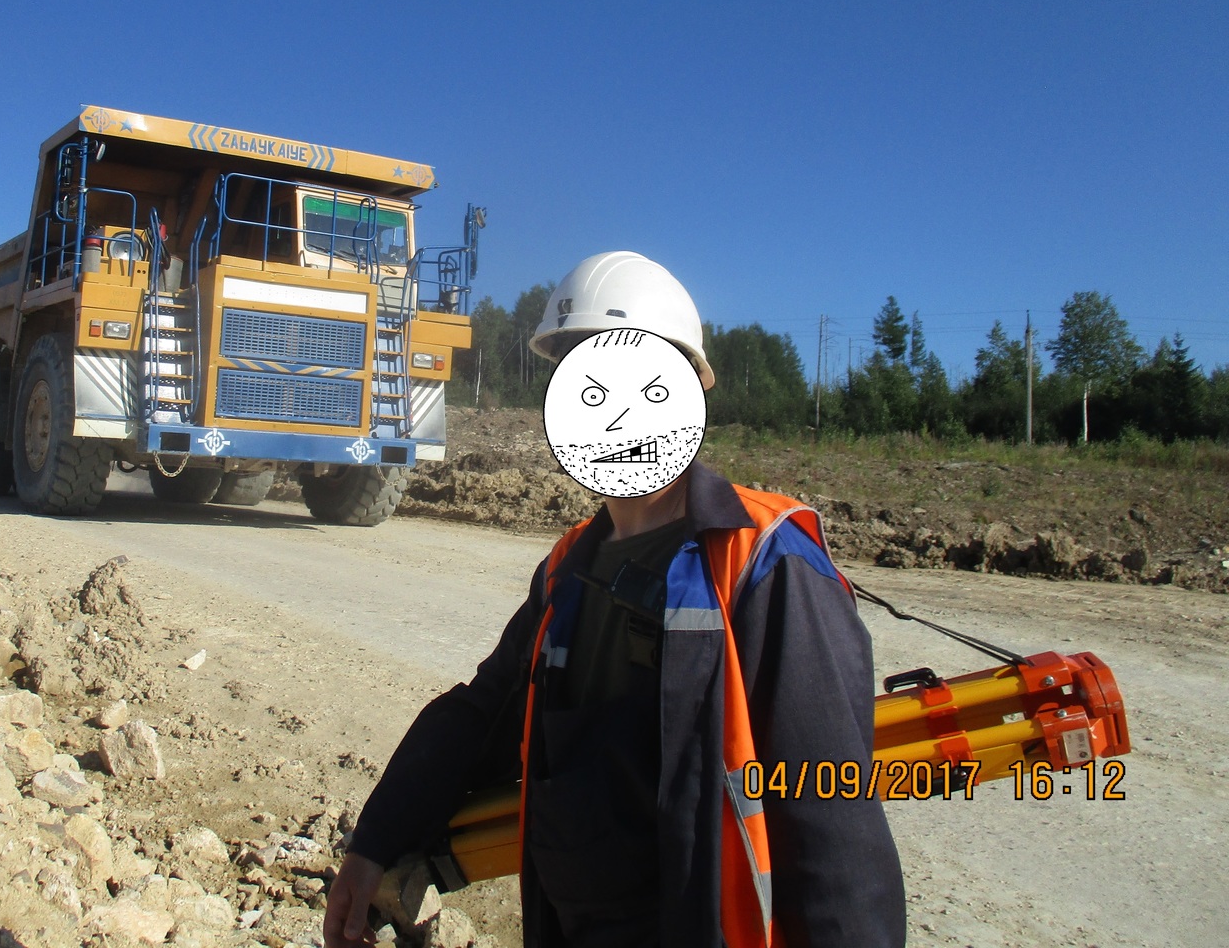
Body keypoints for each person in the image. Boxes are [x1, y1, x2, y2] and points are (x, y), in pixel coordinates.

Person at [324, 252, 905, 948]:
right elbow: (484, 716)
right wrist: (376, 839)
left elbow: (833, 830)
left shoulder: (761, 563)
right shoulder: (571, 567)